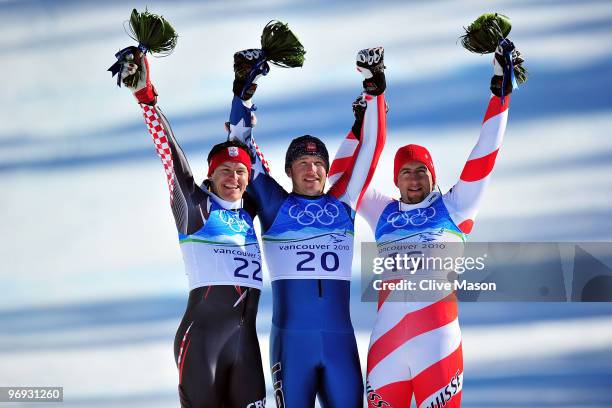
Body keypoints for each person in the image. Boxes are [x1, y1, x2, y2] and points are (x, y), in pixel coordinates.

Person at [332, 41, 524, 408]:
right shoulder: (382, 212)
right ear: (396, 180)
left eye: (421, 171)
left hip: (437, 345)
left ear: (433, 176)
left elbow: (485, 154)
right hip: (386, 346)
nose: (414, 179)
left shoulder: (455, 207)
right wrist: (359, 128)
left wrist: (500, 91)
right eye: (405, 173)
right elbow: (341, 180)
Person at [227, 47, 387, 407]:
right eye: (303, 162)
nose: (312, 169)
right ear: (289, 170)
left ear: (327, 171)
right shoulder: (273, 204)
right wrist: (243, 90)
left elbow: (372, 147)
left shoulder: (343, 203)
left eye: (318, 163)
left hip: (339, 342)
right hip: (291, 343)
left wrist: (375, 88)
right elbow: (239, 146)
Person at [114, 47, 267, 408]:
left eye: (240, 172)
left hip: (245, 346)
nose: (233, 177)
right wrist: (146, 97)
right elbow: (171, 155)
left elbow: (248, 149)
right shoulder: (196, 207)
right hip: (202, 343)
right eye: (224, 172)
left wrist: (244, 94)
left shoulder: (251, 211)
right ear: (209, 176)